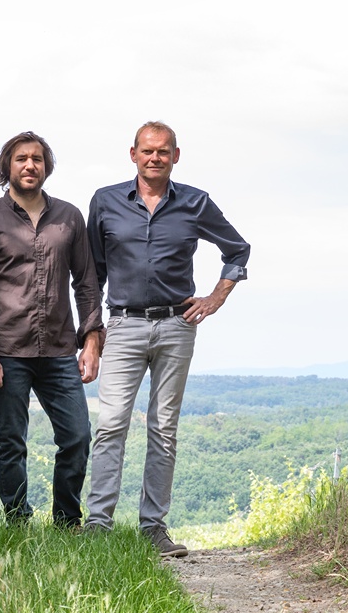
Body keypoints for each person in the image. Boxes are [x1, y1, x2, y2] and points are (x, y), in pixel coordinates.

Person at [84, 121, 250, 557]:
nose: (154, 157)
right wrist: (92, 333)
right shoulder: (105, 201)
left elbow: (238, 249)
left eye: (163, 151)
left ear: (176, 156)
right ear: (133, 154)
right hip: (122, 325)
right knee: (111, 425)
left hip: (178, 326)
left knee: (163, 429)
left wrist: (216, 298)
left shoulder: (196, 202)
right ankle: (98, 525)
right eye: (147, 150)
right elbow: (91, 274)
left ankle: (153, 529)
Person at [0, 131, 103, 528]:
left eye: (37, 159)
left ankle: (66, 521)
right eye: (21, 158)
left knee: (76, 436)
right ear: (7, 166)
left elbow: (87, 283)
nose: (30, 165)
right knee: (11, 441)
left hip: (59, 349)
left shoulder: (69, 217)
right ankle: (17, 522)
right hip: (6, 350)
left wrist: (92, 341)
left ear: (47, 166)